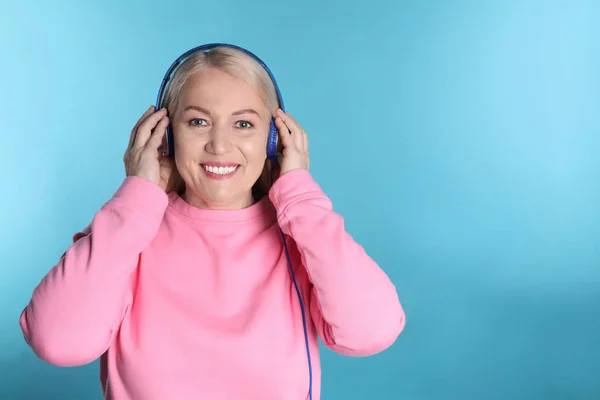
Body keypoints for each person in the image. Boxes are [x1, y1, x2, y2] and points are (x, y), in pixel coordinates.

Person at [19, 43, 405, 400]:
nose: (219, 145)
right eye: (198, 122)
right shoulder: (128, 233)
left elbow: (370, 334)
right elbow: (57, 342)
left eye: (243, 124)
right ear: (165, 137)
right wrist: (137, 195)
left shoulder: (303, 238)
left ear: (275, 140)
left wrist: (301, 199)